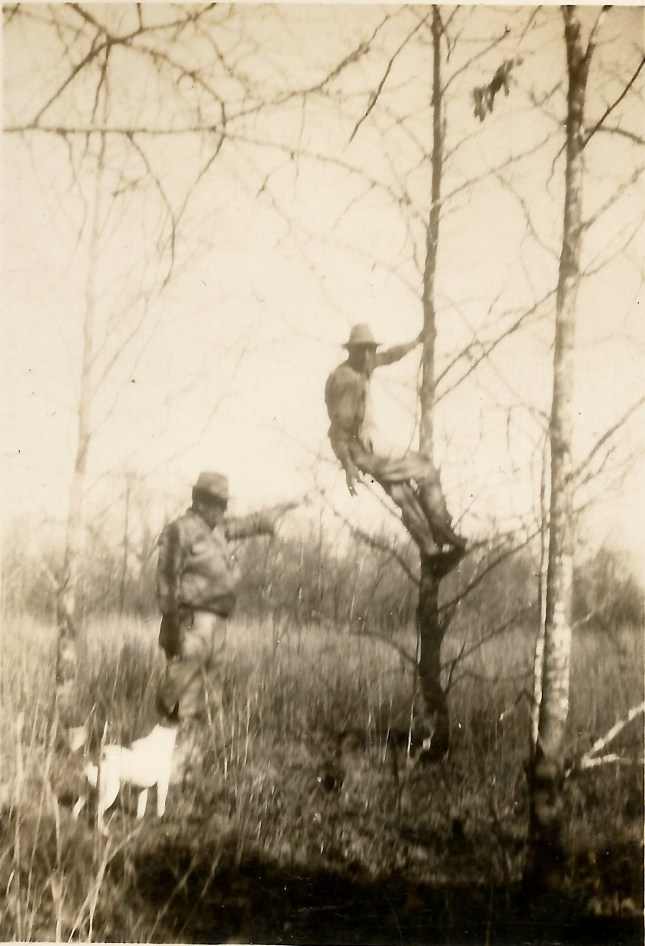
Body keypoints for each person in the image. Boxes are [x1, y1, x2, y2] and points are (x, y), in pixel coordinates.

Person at [156, 471, 294, 736]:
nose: (223, 510)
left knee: (209, 696)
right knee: (181, 694)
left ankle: (191, 762)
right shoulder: (180, 531)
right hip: (190, 623)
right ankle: (165, 760)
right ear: (200, 501)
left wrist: (282, 509)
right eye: (218, 504)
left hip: (216, 625)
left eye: (225, 505)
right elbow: (166, 580)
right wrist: (173, 625)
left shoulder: (216, 530)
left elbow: (248, 523)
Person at [324, 323, 466, 559]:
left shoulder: (363, 364)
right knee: (426, 470)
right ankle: (441, 530)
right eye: (363, 350)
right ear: (351, 351)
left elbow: (389, 356)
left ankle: (430, 551)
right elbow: (338, 428)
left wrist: (417, 341)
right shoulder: (346, 379)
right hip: (364, 448)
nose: (369, 355)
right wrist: (347, 465)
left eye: (370, 349)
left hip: (366, 448)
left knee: (402, 492)